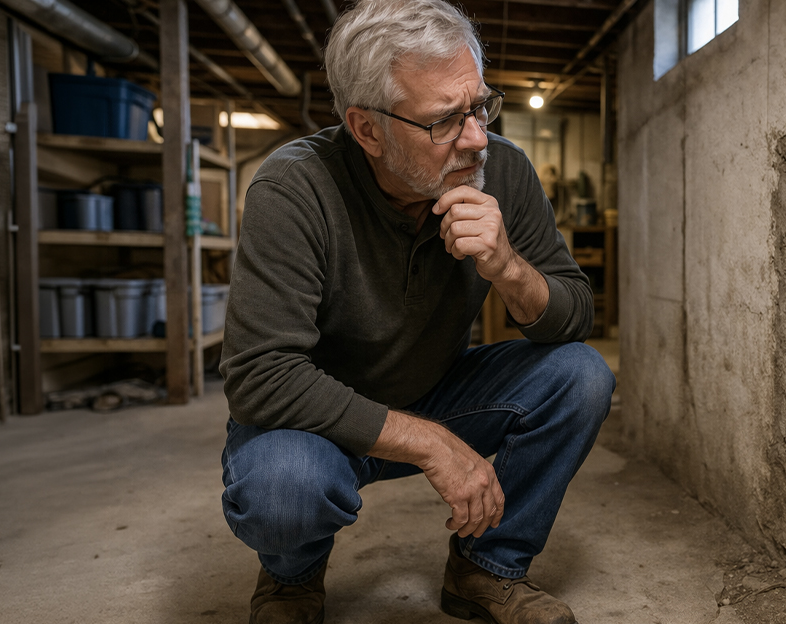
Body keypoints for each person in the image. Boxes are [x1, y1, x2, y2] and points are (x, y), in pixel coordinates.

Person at [217, 0, 615, 622]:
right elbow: (260, 376)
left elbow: (574, 316)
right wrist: (433, 445)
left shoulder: (501, 168)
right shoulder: (294, 188)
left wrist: (509, 268)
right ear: (367, 129)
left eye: (480, 106)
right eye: (444, 121)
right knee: (283, 487)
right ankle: (291, 581)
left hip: (436, 388)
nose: (476, 138)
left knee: (581, 375)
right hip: (313, 420)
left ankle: (486, 569)